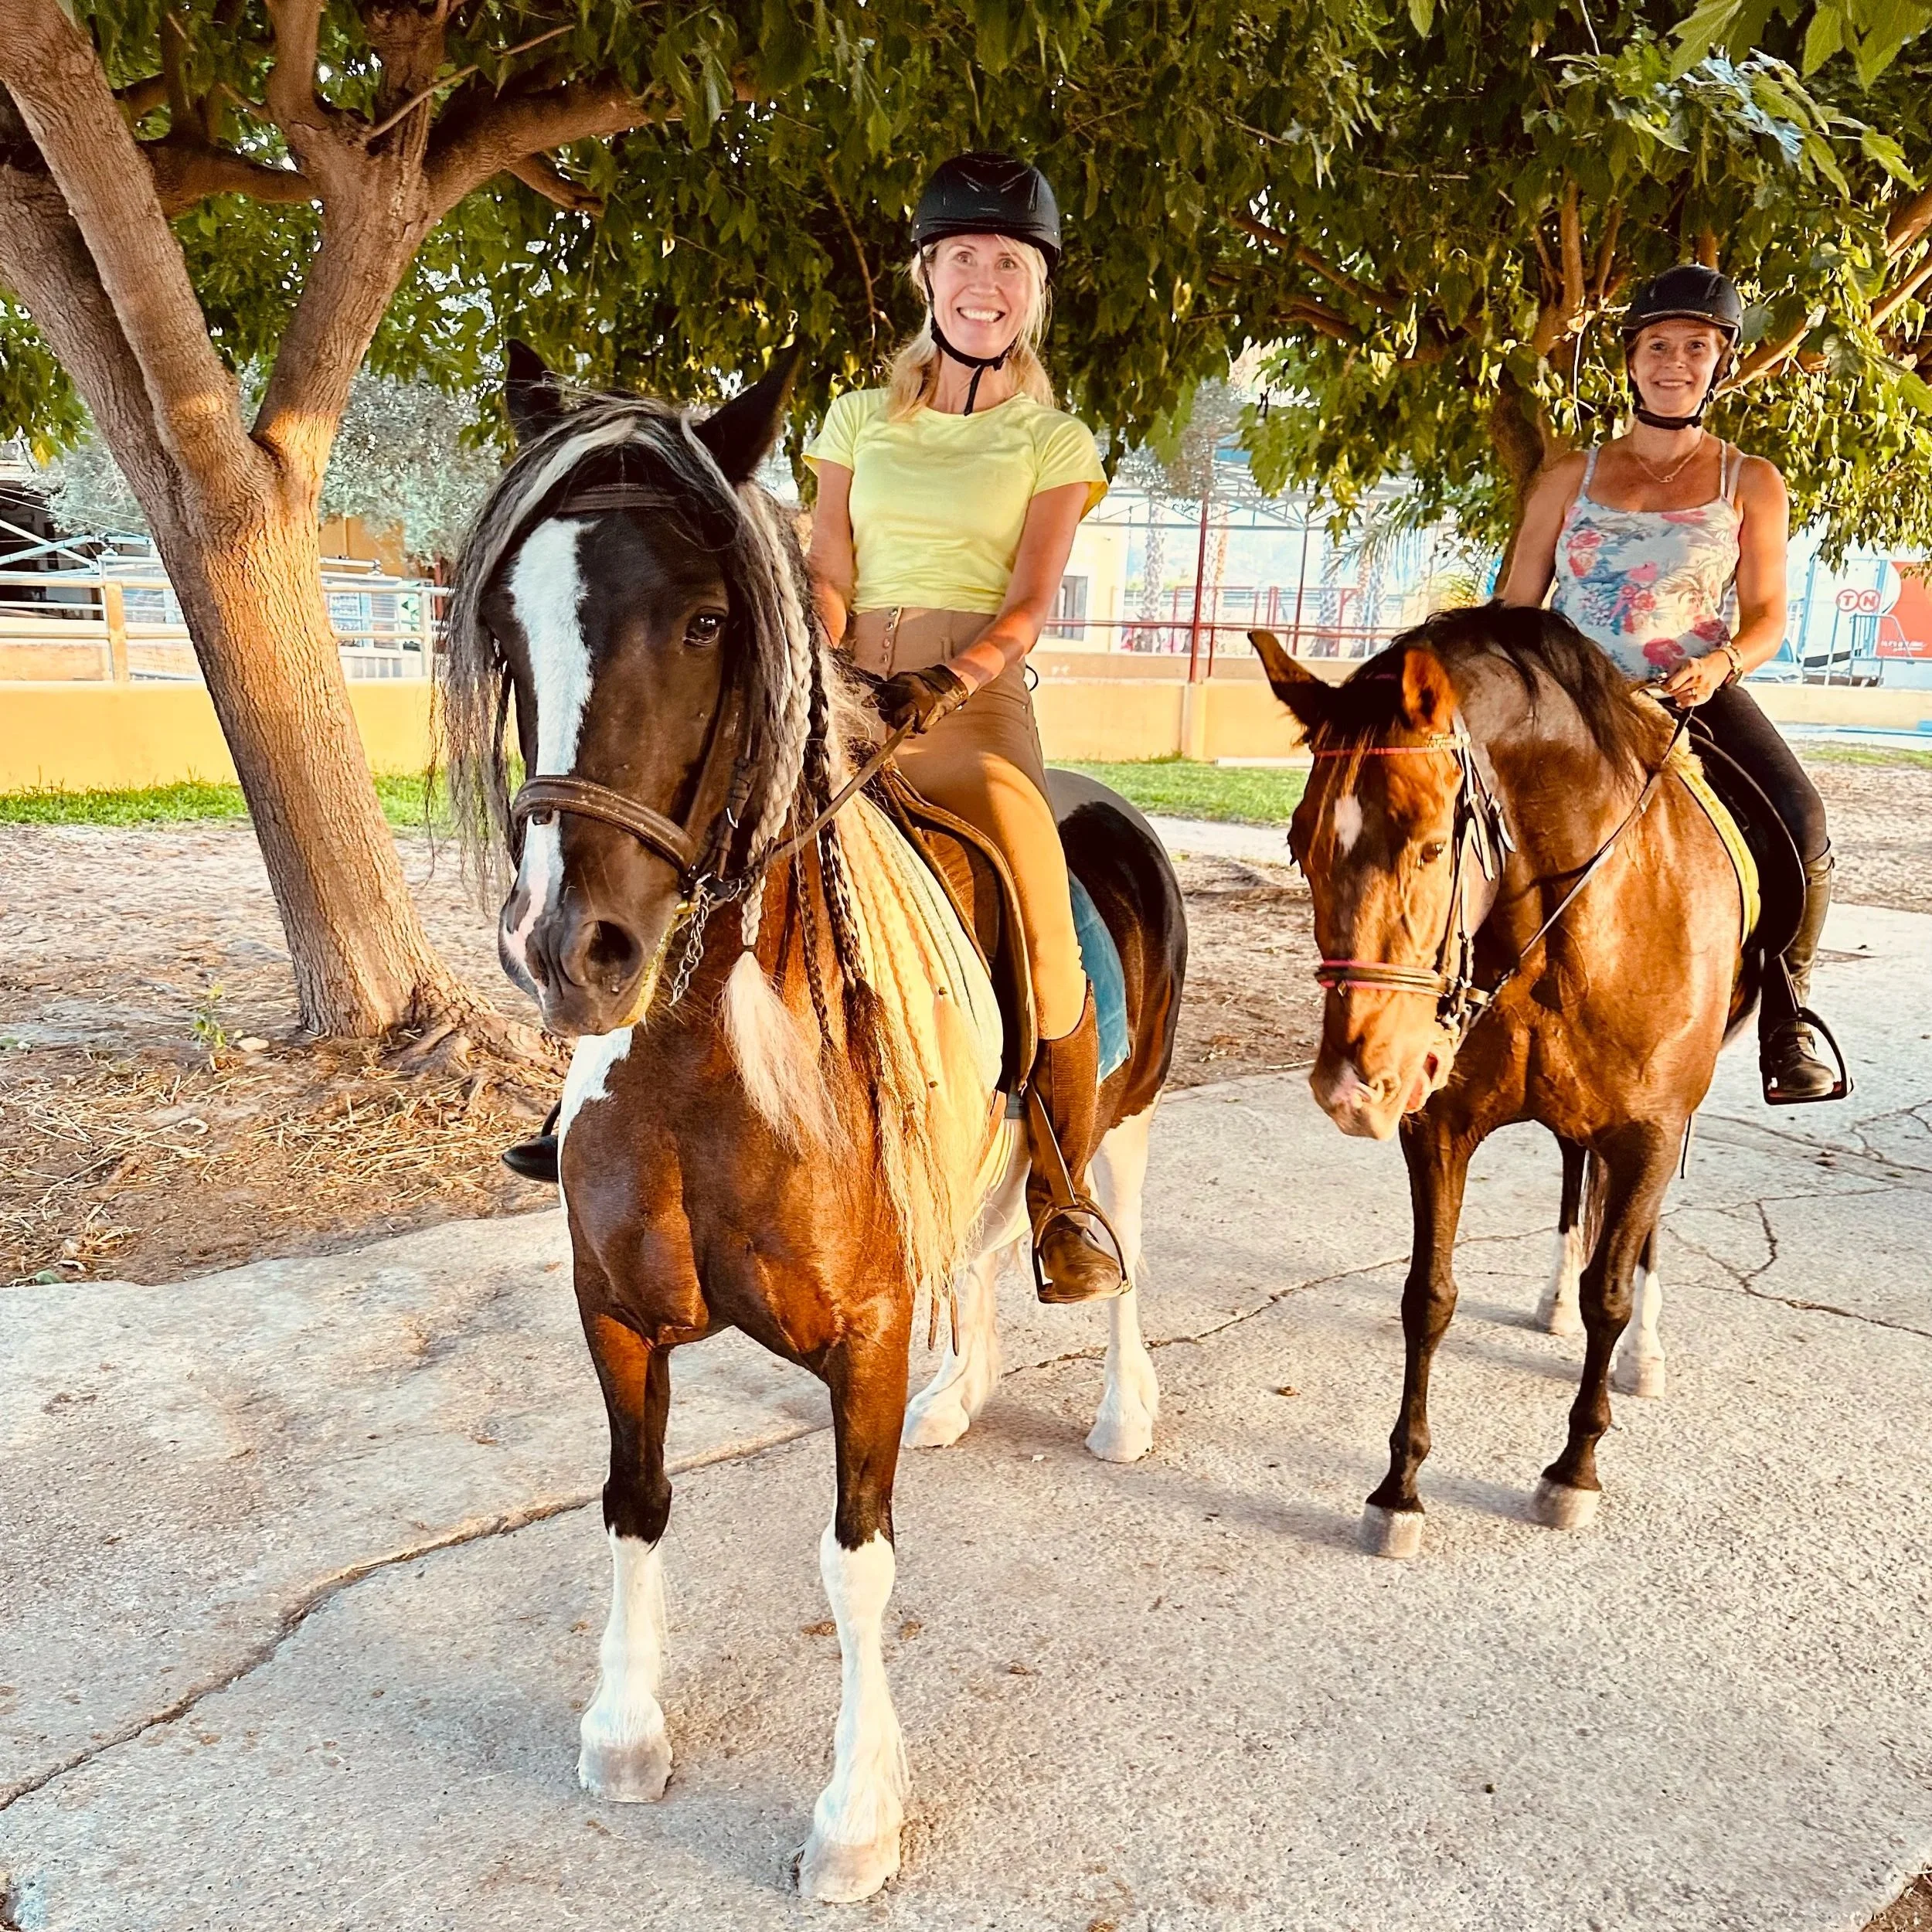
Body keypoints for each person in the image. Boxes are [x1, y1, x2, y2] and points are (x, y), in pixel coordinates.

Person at [803, 150, 1125, 1301]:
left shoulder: (1054, 440)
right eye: (962, 259)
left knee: (1030, 864)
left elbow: (1032, 599)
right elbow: (830, 561)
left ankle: (1062, 1190)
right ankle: (604, 1079)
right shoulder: (853, 420)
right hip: (848, 682)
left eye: (1009, 263)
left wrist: (947, 677)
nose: (983, 281)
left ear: (1036, 290)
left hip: (969, 699)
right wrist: (832, 657)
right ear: (926, 277)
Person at [1500, 263, 1840, 1104]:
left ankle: (1786, 1018)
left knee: (1801, 816)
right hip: (1570, 696)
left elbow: (1766, 617)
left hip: (1690, 690)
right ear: (1630, 359)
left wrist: (1720, 663)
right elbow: (1514, 605)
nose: (1674, 362)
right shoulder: (1566, 477)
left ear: (1719, 362)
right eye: (1658, 345)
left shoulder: (1748, 480)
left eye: (1696, 347)